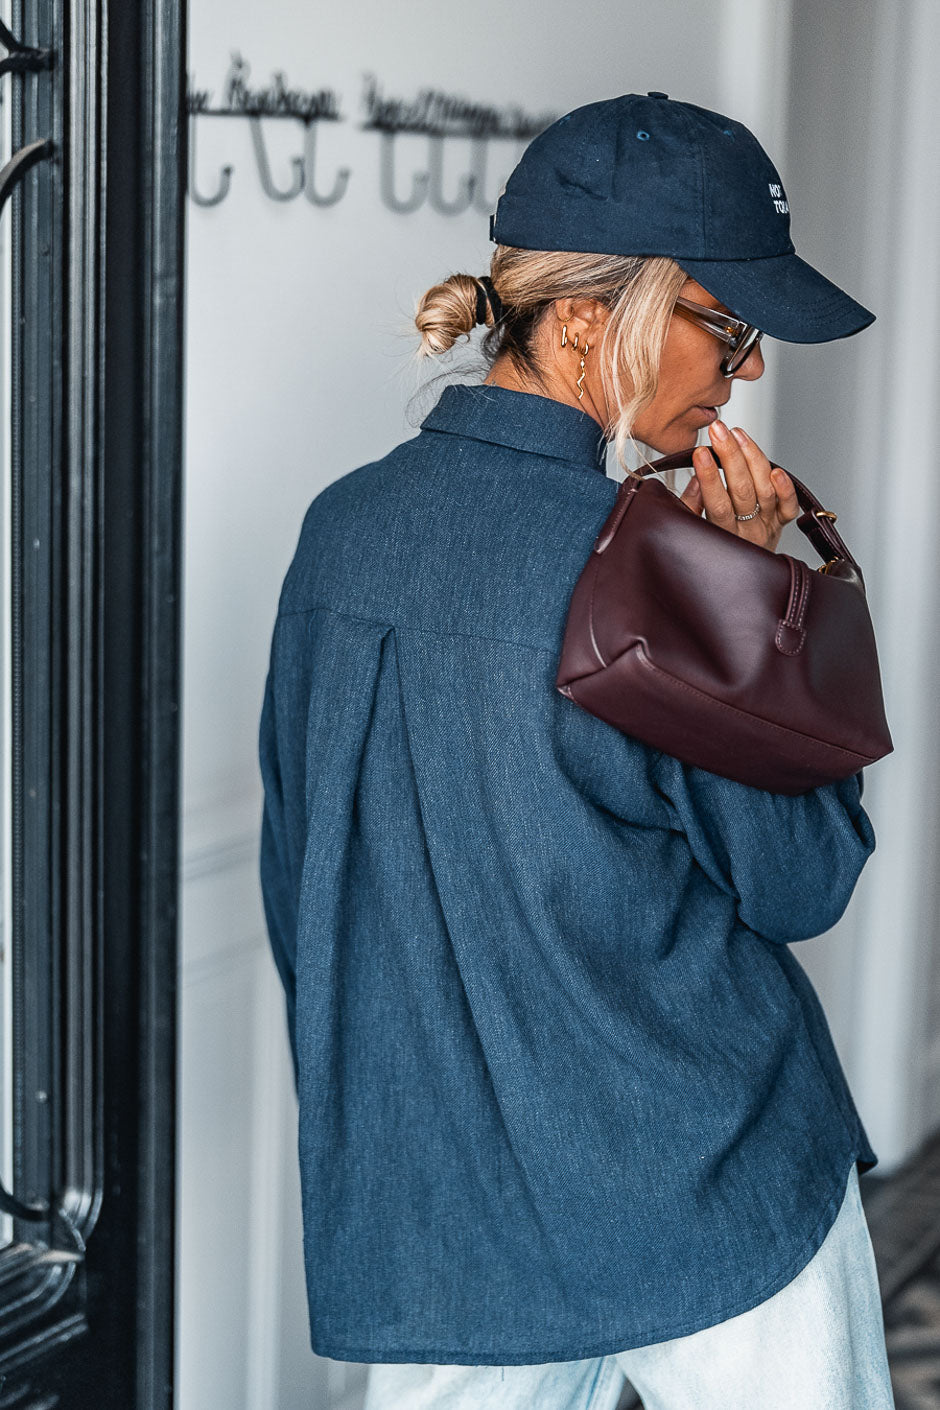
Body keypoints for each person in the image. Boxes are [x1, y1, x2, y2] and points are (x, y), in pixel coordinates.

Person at [258, 93, 896, 1410]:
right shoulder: (659, 569)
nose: (748, 372)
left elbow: (300, 887)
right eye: (731, 327)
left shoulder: (340, 533)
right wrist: (746, 595)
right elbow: (801, 881)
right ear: (592, 322)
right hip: (707, 1179)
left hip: (447, 1217)